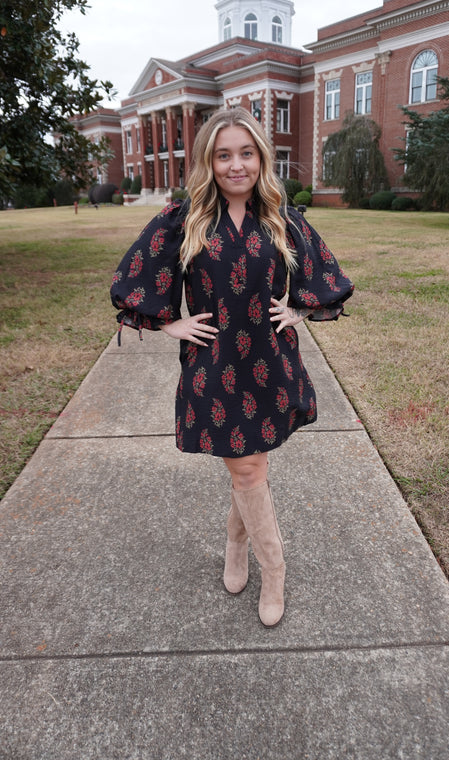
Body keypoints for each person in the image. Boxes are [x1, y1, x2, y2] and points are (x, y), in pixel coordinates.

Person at [110, 107, 353, 627]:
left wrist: (300, 309)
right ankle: (270, 566)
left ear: (261, 157)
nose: (235, 165)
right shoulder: (184, 219)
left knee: (247, 468)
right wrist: (168, 324)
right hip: (213, 365)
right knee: (247, 468)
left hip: (269, 361)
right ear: (209, 161)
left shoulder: (283, 218)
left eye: (246, 153)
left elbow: (324, 275)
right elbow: (136, 276)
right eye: (224, 155)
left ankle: (246, 553)